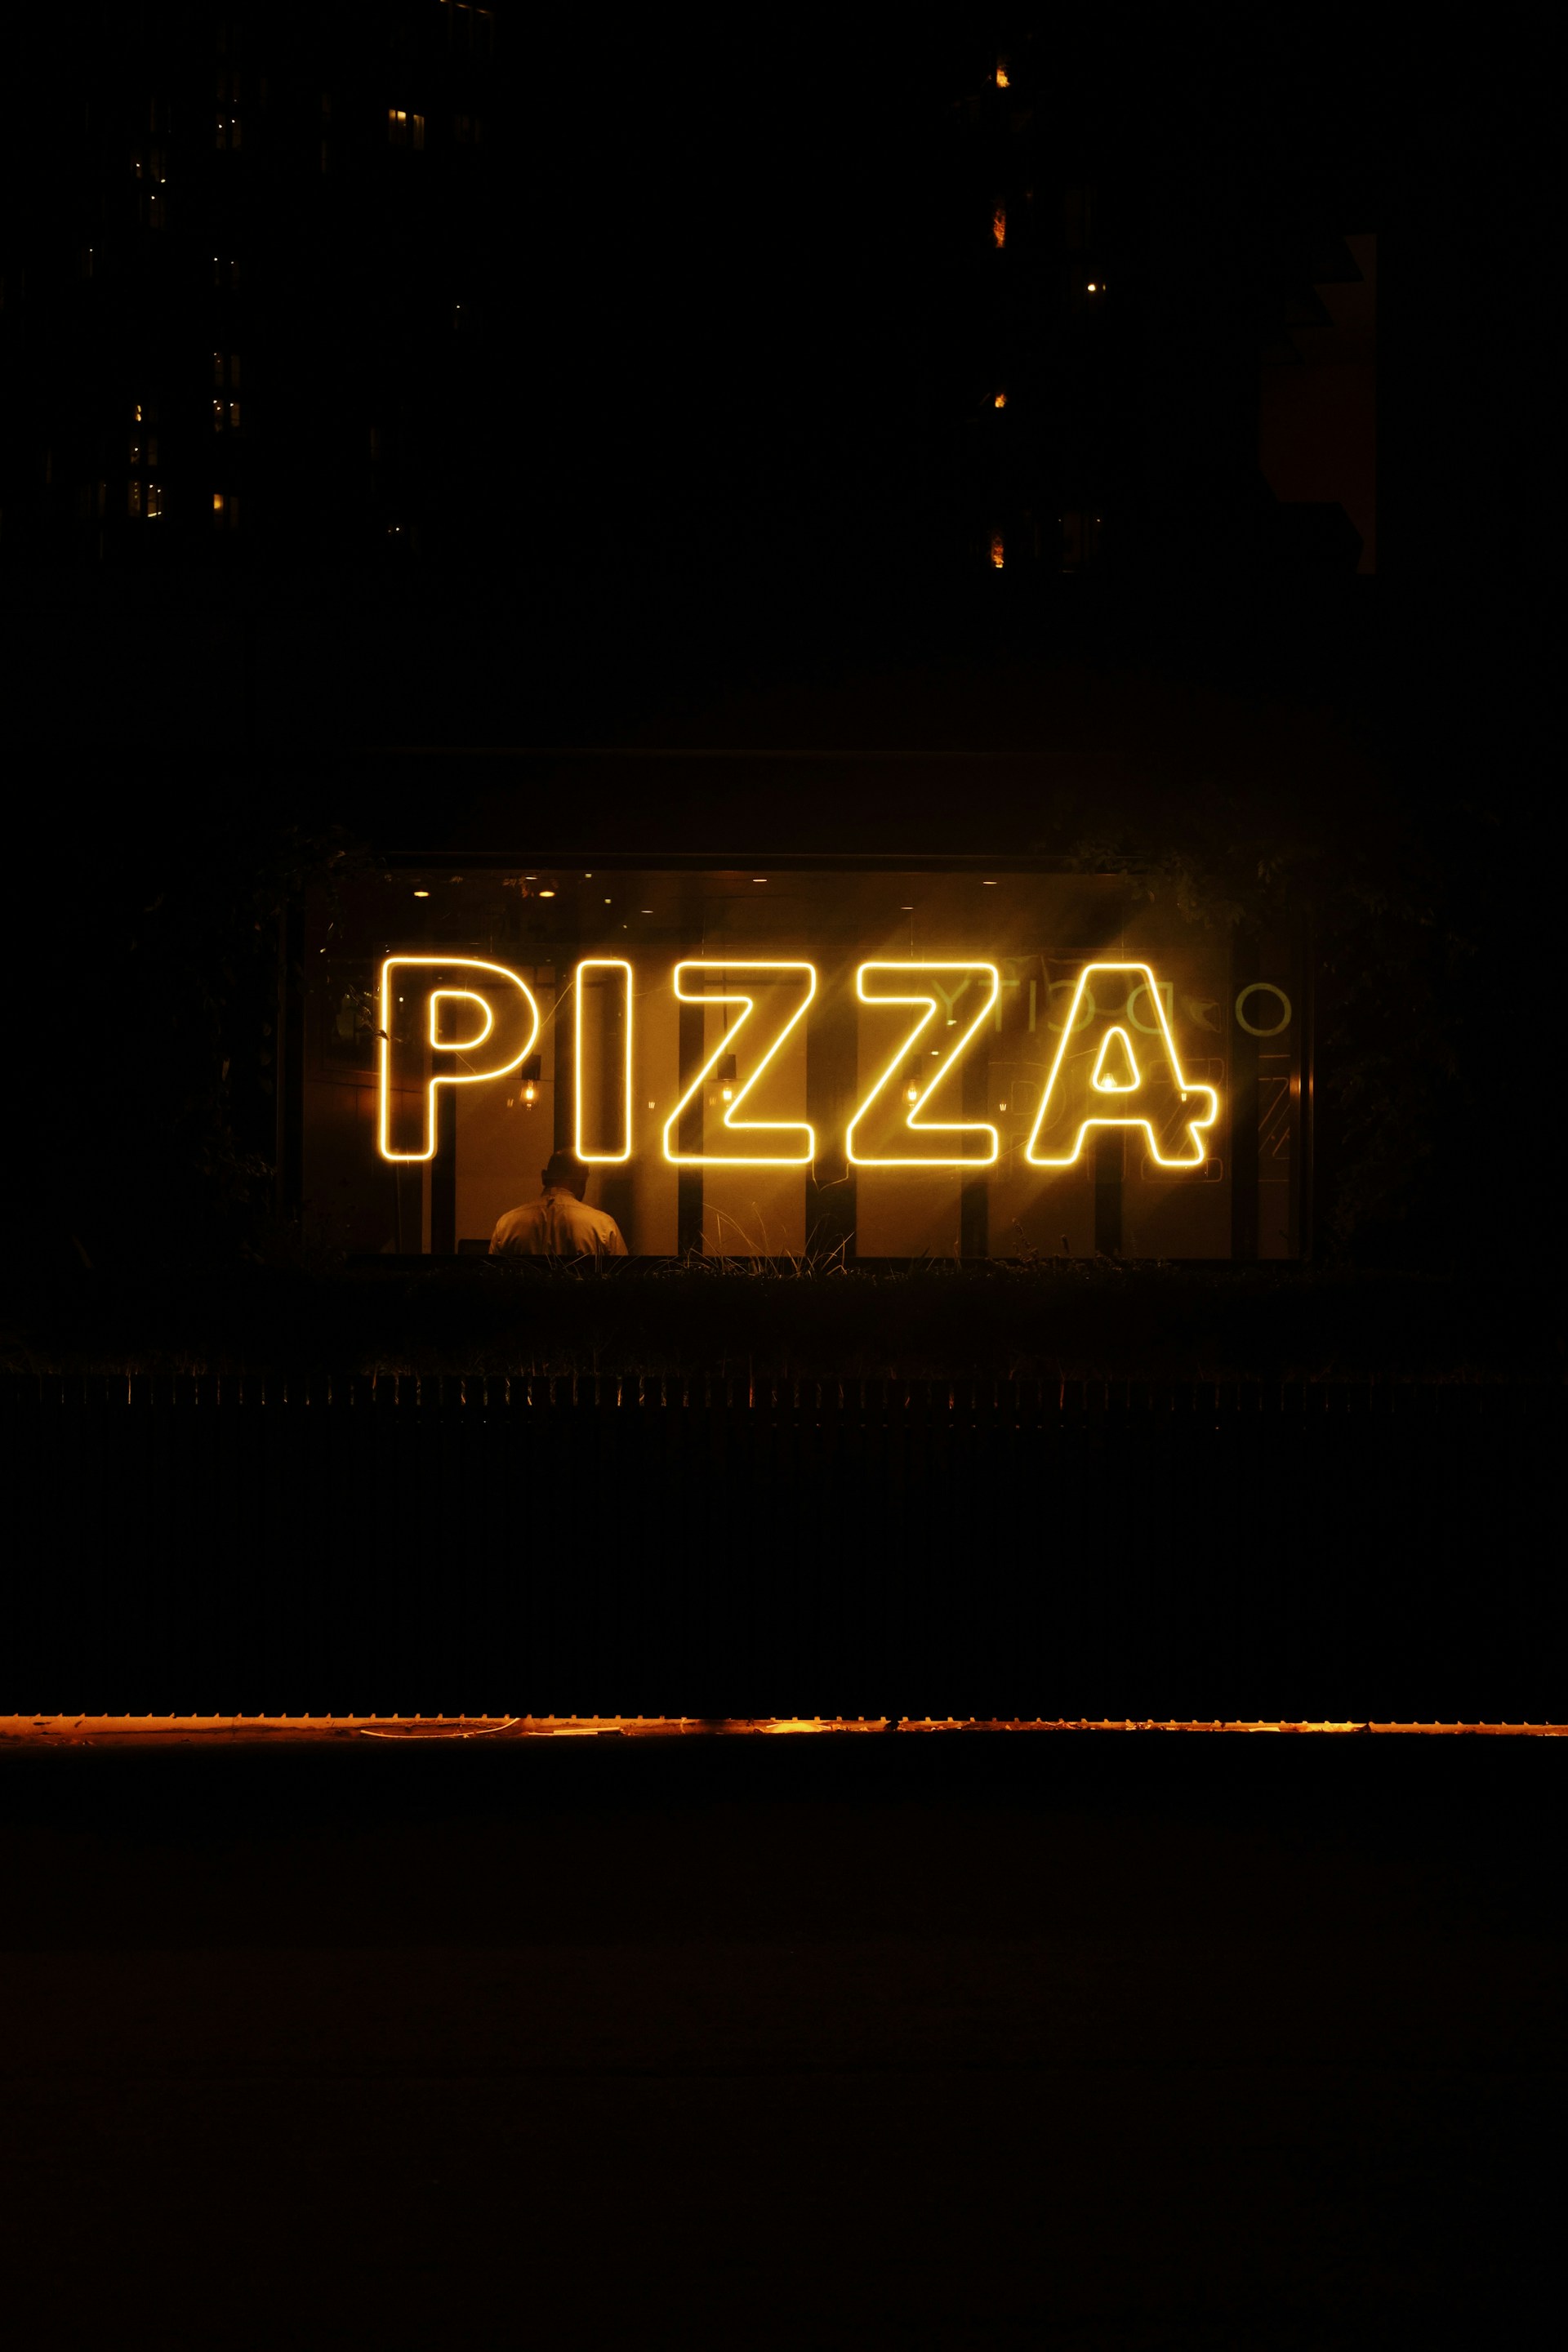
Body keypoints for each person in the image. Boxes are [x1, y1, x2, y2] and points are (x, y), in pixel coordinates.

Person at [489, 1148, 628, 1258]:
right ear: (582, 1181)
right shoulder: (602, 1225)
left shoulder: (507, 1223)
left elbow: (492, 1278)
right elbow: (623, 1277)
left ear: (544, 1176)